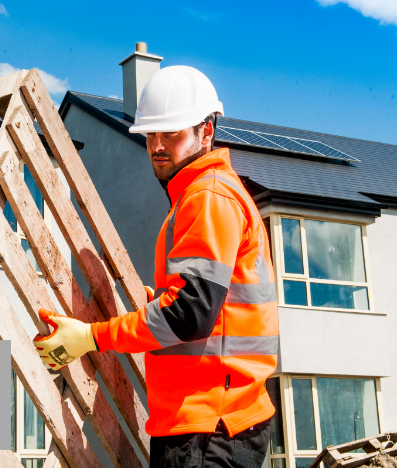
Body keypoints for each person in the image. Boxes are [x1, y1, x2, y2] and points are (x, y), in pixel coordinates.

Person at [33, 65, 279, 468]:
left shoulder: (207, 197)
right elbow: (208, 311)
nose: (159, 146)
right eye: (152, 134)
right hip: (214, 418)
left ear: (206, 131)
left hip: (208, 425)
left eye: (173, 134)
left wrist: (93, 337)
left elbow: (189, 316)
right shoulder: (201, 197)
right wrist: (156, 305)